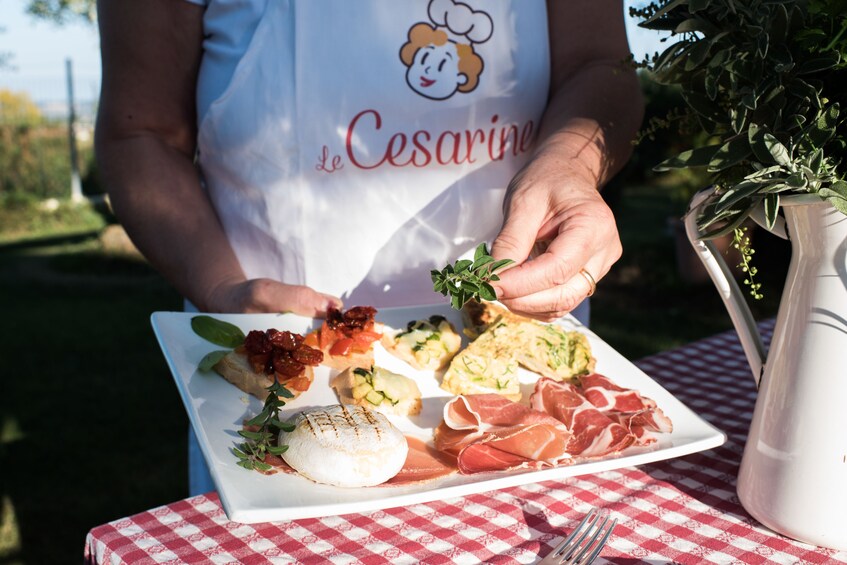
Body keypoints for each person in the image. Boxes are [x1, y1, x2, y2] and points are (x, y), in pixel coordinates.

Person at [96, 0, 643, 494]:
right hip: (278, 355)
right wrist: (218, 284)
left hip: (525, 358)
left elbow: (599, 66)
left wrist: (571, 163)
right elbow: (139, 131)